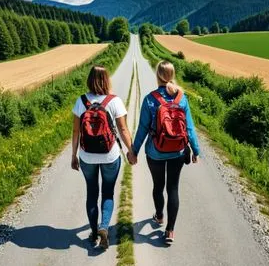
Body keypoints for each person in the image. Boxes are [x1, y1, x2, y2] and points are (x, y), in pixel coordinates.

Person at [129, 60, 200, 245]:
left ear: (158, 75)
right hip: (178, 151)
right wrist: (195, 150)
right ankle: (170, 231)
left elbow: (143, 128)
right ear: (172, 75)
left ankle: (159, 216)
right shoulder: (181, 98)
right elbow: (190, 128)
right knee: (173, 188)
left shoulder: (150, 99)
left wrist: (134, 151)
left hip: (155, 152)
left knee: (158, 186)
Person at [71, 65, 134, 249]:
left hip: (87, 156)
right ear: (107, 80)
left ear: (89, 80)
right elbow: (123, 129)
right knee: (107, 193)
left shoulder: (81, 101)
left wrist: (73, 155)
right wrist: (131, 151)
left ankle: (93, 232)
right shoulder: (114, 101)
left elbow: (76, 131)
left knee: (92, 193)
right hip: (109, 156)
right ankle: (104, 227)